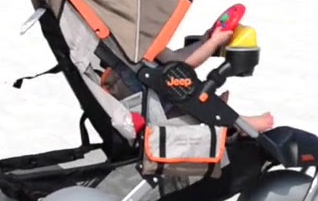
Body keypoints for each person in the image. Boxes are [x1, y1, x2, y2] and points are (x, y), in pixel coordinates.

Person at [103, 28, 275, 134]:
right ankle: (237, 123)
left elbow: (173, 58)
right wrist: (213, 42)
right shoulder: (138, 41)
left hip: (151, 101)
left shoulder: (126, 44)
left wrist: (204, 40)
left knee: (183, 83)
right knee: (182, 82)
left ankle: (222, 116)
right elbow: (185, 63)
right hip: (163, 113)